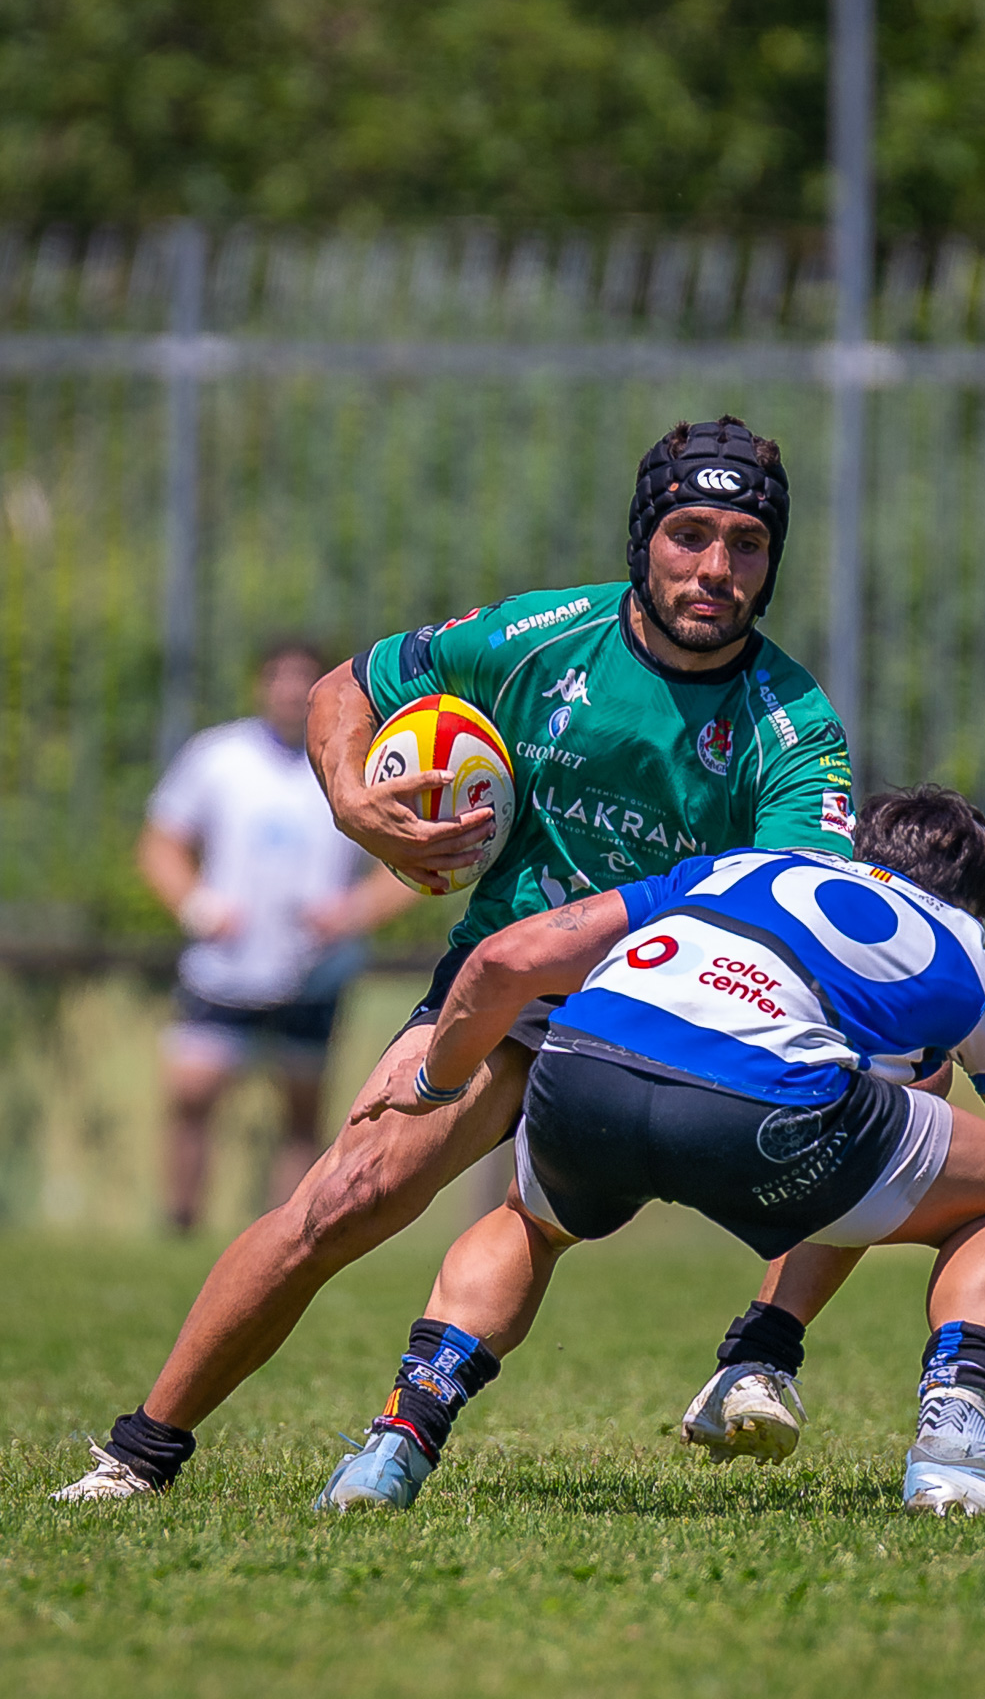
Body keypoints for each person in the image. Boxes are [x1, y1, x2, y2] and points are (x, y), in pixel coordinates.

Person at [52, 415, 860, 1503]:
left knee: (876, 1093)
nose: (715, 567)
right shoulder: (543, 637)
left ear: (773, 559)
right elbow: (349, 686)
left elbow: (792, 904)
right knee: (344, 1199)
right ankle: (140, 1455)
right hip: (501, 992)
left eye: (746, 544)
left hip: (671, 1016)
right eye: (689, 533)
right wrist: (357, 809)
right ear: (644, 536)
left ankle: (764, 1350)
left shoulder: (790, 720)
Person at [315, 787, 985, 1520]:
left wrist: (433, 1079)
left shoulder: (741, 867)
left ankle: (396, 1443)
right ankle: (956, 1455)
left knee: (530, 1221)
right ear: (978, 903)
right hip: (758, 1110)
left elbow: (501, 960)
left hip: (586, 1067)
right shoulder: (971, 956)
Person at [139, 640, 419, 1231]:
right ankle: (179, 1223)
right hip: (226, 964)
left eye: (304, 680)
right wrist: (197, 906)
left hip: (312, 969)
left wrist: (352, 912)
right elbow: (160, 844)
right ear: (261, 686)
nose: (292, 692)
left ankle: (279, 1231)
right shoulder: (217, 755)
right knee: (193, 1092)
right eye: (279, 679)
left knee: (300, 1109)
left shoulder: (357, 758)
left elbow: (411, 862)